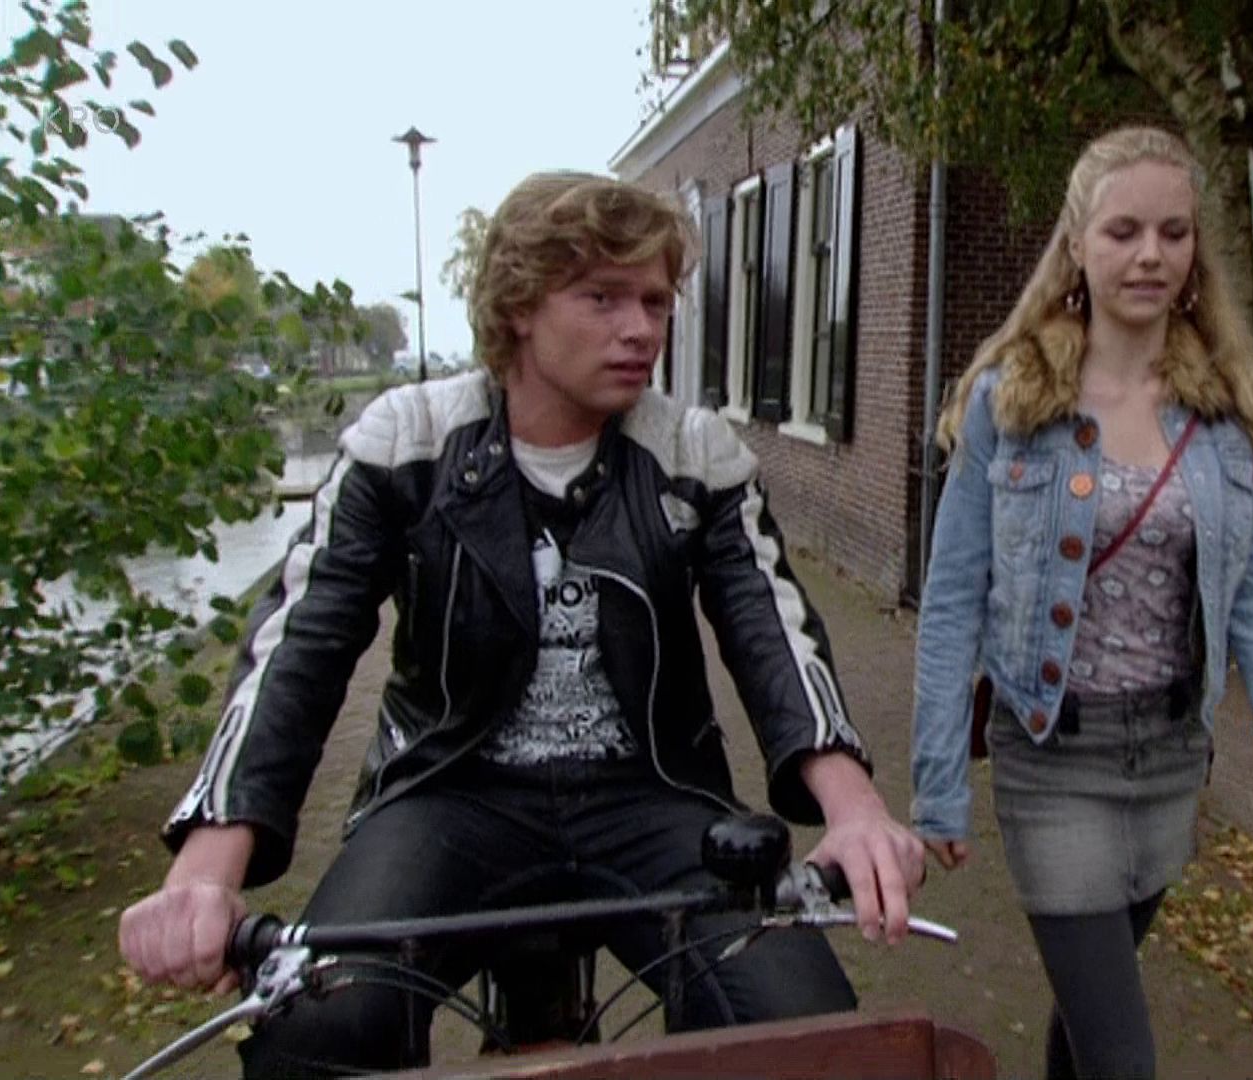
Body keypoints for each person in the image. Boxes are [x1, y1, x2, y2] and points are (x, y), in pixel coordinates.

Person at [119, 172, 926, 1077]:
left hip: (653, 791)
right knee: (318, 1031)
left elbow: (770, 627)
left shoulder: (694, 454)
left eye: (656, 301)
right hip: (447, 790)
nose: (641, 329)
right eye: (603, 297)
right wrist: (205, 872)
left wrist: (855, 811)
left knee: (805, 1029)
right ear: (518, 306)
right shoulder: (407, 442)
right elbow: (301, 645)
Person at [910, 126, 1253, 1080]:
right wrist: (938, 784)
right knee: (1123, 1056)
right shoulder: (1011, 402)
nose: (1151, 254)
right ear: (1077, 244)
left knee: (1088, 1022)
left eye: (1173, 233)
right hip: (1052, 755)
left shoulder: (1224, 414)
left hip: (1171, 756)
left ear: (1195, 251)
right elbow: (950, 601)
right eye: (1123, 232)